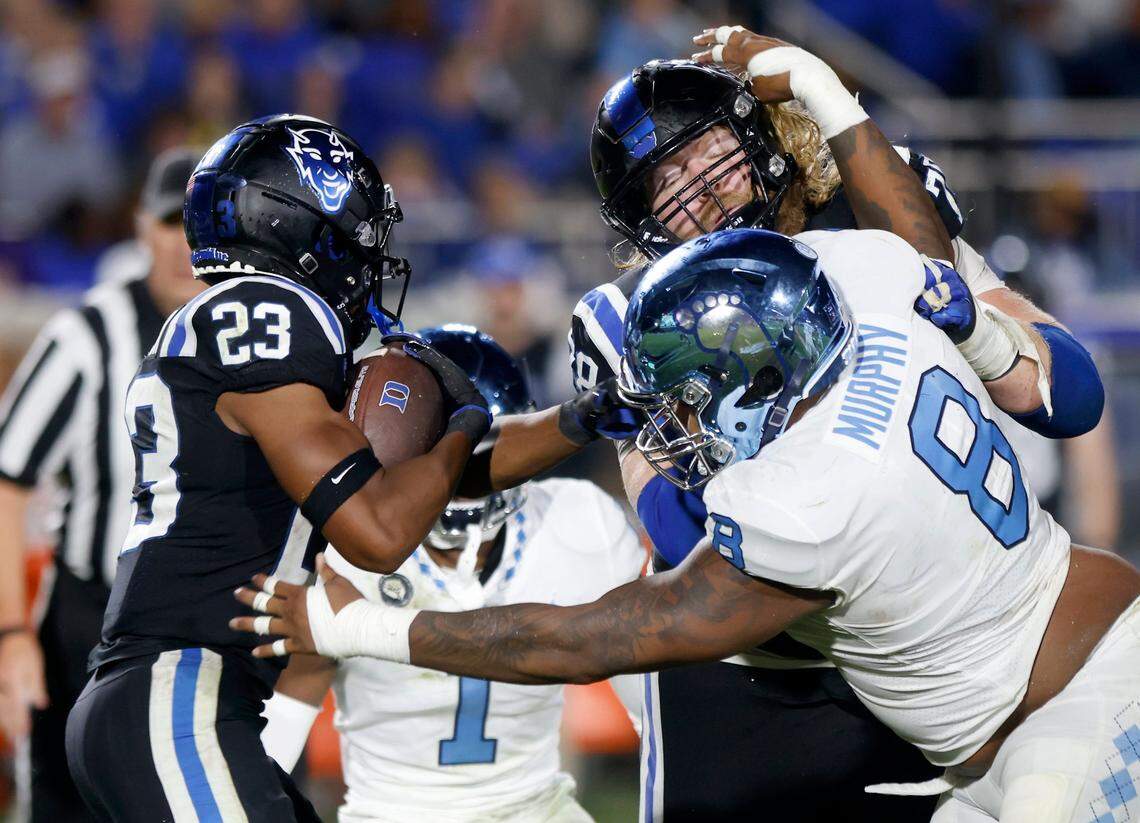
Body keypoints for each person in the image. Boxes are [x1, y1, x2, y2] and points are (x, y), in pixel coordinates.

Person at [238, 227, 1140, 823]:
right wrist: (829, 103)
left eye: (686, 404)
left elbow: (592, 641)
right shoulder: (867, 300)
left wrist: (361, 624)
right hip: (1044, 691)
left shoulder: (807, 494)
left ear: (752, 380)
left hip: (1076, 708)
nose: (675, 433)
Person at [567, 27, 1103, 820]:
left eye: (705, 151)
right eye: (662, 181)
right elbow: (679, 538)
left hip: (927, 633)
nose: (693, 189)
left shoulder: (879, 215)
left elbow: (1069, 394)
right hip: (750, 666)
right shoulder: (629, 321)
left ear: (759, 133)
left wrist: (984, 334)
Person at [60, 114, 500, 822]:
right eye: (354, 240)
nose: (364, 265)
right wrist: (463, 424)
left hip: (186, 695)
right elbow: (380, 531)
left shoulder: (236, 325)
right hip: (178, 688)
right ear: (302, 231)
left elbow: (424, 487)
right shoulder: (271, 307)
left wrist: (579, 422)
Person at [260, 325, 645, 823]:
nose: (461, 480)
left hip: (540, 808)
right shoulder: (338, 552)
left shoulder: (582, 520)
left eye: (481, 453)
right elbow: (280, 730)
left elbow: (653, 711)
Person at [0, 148, 205, 822]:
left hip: (206, 627)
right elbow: (7, 480)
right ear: (142, 226)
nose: (184, 242)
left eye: (200, 223)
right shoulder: (87, 336)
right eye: (171, 221)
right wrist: (9, 633)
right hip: (88, 624)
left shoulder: (257, 342)